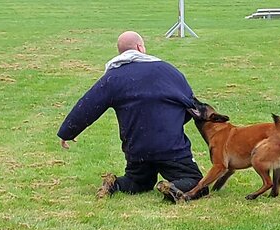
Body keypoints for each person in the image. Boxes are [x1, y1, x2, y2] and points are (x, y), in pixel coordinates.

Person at [57, 31, 208, 203]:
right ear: (140, 47)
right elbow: (190, 104)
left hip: (137, 148)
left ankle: (115, 185)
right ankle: (174, 187)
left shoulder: (113, 77)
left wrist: (67, 132)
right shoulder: (169, 71)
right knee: (196, 181)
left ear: (120, 52)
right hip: (170, 147)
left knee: (138, 182)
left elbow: (89, 105)